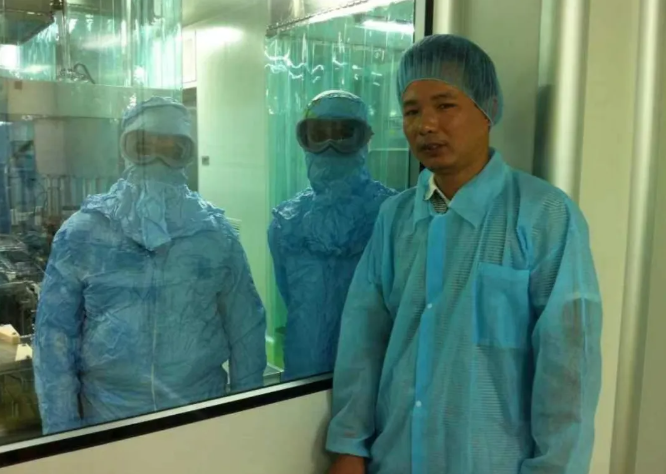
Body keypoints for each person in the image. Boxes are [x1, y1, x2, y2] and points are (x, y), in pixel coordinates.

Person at [327, 35, 602, 474]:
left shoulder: (543, 215)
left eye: (445, 105)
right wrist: (348, 446)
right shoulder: (395, 218)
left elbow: (569, 369)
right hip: (396, 459)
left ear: (487, 109)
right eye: (411, 111)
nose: (426, 125)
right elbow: (364, 339)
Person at [33, 97, 267, 434]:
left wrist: (246, 418)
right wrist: (62, 434)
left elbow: (246, 328)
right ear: (124, 149)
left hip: (200, 414)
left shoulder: (214, 235)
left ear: (187, 153)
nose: (158, 158)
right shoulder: (84, 233)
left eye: (173, 148)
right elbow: (54, 339)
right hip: (108, 418)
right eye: (144, 146)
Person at [268, 90, 396, 381]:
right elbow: (290, 295)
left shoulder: (392, 216)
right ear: (305, 141)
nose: (330, 146)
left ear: (364, 140)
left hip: (371, 381)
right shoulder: (287, 223)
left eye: (344, 134)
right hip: (301, 378)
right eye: (319, 134)